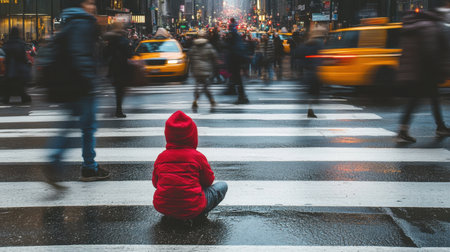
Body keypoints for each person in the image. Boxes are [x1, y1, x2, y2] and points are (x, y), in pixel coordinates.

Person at [44, 0, 110, 189]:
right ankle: (86, 166)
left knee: (71, 123)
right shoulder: (82, 22)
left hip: (69, 84)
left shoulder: (69, 21)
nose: (94, 5)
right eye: (89, 2)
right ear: (82, 4)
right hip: (82, 85)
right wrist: (90, 80)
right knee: (87, 127)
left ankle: (59, 160)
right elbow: (80, 54)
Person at [152, 111, 228, 221]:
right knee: (222, 186)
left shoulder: (161, 157)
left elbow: (155, 184)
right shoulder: (197, 156)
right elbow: (208, 182)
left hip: (164, 207)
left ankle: (172, 213)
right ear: (192, 135)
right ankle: (196, 214)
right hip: (193, 207)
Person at [396, 1, 450, 143]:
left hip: (415, 70)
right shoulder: (429, 27)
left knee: (432, 98)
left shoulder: (413, 25)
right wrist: (439, 70)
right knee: (417, 100)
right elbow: (431, 51)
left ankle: (440, 126)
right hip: (425, 72)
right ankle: (402, 132)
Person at [103, 22, 133, 118]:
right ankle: (118, 110)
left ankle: (117, 109)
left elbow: (105, 54)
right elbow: (129, 54)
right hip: (122, 67)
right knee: (120, 90)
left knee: (118, 89)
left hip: (113, 68)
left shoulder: (109, 41)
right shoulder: (123, 40)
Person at [2, 27, 31, 104]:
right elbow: (23, 57)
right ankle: (23, 96)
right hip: (19, 67)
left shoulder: (8, 43)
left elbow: (4, 53)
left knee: (8, 83)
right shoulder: (21, 43)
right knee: (20, 83)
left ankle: (7, 97)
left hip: (9, 68)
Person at [189, 30, 218, 109]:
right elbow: (214, 55)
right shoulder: (208, 46)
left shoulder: (194, 46)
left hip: (196, 69)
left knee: (198, 85)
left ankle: (196, 100)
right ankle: (211, 99)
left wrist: (191, 68)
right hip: (206, 69)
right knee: (205, 86)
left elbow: (190, 57)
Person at [226, 18, 249, 104]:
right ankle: (241, 96)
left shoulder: (233, 36)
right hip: (237, 61)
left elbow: (235, 50)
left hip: (236, 61)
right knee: (237, 79)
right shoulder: (235, 36)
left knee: (237, 79)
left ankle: (242, 97)